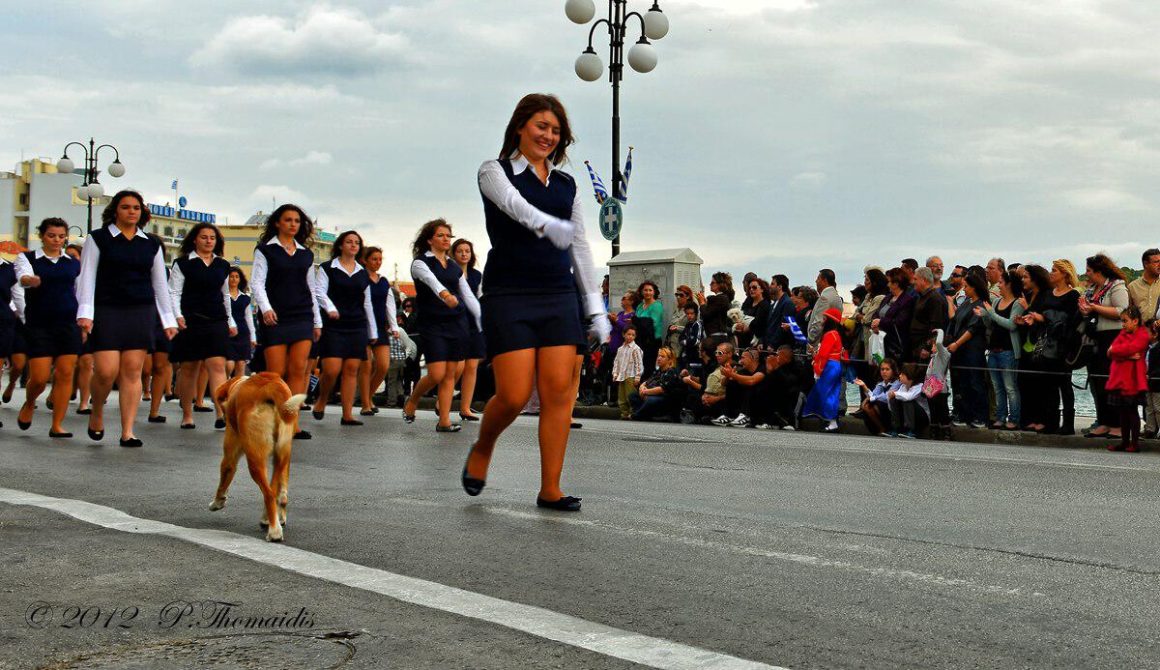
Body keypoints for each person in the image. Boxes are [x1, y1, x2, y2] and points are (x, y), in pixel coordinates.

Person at [463, 94, 609, 512]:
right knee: (512, 394)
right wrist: (547, 224)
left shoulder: (567, 184)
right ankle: (484, 444)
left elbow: (580, 245)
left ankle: (551, 488)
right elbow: (513, 206)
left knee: (558, 393)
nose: (548, 135)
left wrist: (595, 308)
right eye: (541, 126)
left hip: (557, 295)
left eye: (555, 130)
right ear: (520, 127)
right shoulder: (495, 170)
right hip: (509, 293)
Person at [76, 190, 178, 447]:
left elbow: (160, 284)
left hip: (140, 311)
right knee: (106, 371)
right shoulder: (98, 238)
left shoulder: (152, 243)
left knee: (133, 371)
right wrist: (85, 314)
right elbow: (86, 277)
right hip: (107, 309)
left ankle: (127, 431)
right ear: (115, 210)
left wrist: (168, 320)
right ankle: (96, 410)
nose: (132, 211)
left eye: (136, 207)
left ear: (142, 212)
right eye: (126, 207)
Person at [251, 204, 323, 440]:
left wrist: (317, 321)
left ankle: (291, 424)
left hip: (302, 315)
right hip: (276, 317)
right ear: (277, 223)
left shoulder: (306, 254)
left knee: (298, 369)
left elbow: (311, 288)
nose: (293, 224)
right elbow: (257, 283)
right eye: (288, 220)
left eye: (297, 221)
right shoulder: (265, 250)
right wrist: (266, 308)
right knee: (275, 372)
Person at [404, 220, 479, 432]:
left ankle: (444, 420)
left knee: (450, 374)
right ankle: (413, 400)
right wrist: (445, 295)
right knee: (436, 374)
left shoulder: (454, 266)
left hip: (457, 322)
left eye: (448, 236)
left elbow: (467, 295)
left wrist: (482, 318)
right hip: (433, 323)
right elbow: (432, 282)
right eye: (441, 235)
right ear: (429, 239)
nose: (446, 239)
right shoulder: (420, 263)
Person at [12, 218, 82, 437]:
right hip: (39, 324)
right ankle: (30, 402)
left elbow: (80, 291)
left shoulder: (73, 263)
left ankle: (57, 425)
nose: (57, 240)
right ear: (42, 235)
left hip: (68, 323)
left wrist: (85, 319)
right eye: (52, 235)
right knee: (40, 377)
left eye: (61, 236)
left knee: (65, 374)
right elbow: (21, 277)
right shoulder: (28, 258)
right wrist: (29, 280)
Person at [169, 222, 236, 430]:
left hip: (216, 319)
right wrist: (177, 316)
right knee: (190, 368)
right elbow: (174, 292)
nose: (208, 241)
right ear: (195, 239)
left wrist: (230, 320)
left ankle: (221, 412)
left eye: (212, 238)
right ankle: (187, 414)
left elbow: (225, 295)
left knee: (217, 366)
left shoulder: (223, 265)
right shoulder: (182, 263)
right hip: (190, 320)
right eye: (204, 237)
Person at [311, 230, 379, 427]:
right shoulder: (327, 268)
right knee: (331, 369)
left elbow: (367, 303)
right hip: (334, 325)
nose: (353, 245)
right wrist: (330, 309)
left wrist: (372, 330)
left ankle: (347, 414)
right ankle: (322, 399)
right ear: (341, 245)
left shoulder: (362, 272)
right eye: (349, 242)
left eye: (356, 242)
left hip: (356, 325)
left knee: (351, 369)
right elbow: (319, 292)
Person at [1079, 254, 1129, 439]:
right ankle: (1104, 421)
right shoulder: (1092, 289)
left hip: (1113, 337)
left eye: (1089, 271)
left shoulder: (1117, 286)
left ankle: (1117, 425)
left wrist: (1093, 308)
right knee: (1097, 381)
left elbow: (1122, 310)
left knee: (1112, 381)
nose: (1086, 274)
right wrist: (1085, 309)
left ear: (1099, 271)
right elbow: (1091, 311)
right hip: (1095, 338)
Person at [976, 270, 1024, 430]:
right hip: (993, 350)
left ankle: (1014, 419)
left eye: (1001, 283)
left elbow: (1011, 325)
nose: (999, 286)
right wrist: (984, 315)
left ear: (1009, 284)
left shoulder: (1017, 303)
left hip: (1008, 351)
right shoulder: (997, 302)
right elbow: (991, 324)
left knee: (1010, 387)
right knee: (998, 388)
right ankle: (1000, 417)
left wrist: (990, 313)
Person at [359, 246, 402, 416]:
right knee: (366, 366)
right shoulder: (360, 278)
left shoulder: (383, 281)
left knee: (383, 366)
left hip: (380, 326)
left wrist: (394, 326)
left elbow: (389, 305)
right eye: (374, 259)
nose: (377, 262)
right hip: (362, 326)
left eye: (380, 259)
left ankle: (368, 396)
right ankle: (365, 404)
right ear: (365, 260)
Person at [945, 272, 989, 428]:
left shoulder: (981, 305)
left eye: (967, 287)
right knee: (962, 383)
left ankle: (980, 416)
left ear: (974, 287)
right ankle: (963, 413)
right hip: (960, 349)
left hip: (972, 349)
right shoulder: (966, 303)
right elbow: (954, 319)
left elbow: (973, 328)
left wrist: (957, 343)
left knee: (975, 382)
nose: (965, 289)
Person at [1104, 306, 1149, 452]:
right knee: (1123, 412)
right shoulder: (1123, 333)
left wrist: (1117, 352)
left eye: (1125, 321)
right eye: (1122, 321)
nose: (1122, 324)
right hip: (1121, 379)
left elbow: (1117, 349)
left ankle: (1134, 443)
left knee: (1132, 411)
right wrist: (1126, 355)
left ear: (1135, 321)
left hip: (1133, 380)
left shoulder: (1143, 335)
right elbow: (1110, 352)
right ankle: (1124, 442)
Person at [452, 238, 485, 421]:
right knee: (458, 365)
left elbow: (481, 297)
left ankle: (465, 408)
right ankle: (444, 399)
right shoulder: (449, 273)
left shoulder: (476, 275)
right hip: (456, 322)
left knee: (472, 366)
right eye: (460, 251)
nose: (464, 254)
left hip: (475, 322)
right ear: (454, 254)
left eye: (467, 251)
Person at [802, 308, 847, 432]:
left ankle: (831, 421)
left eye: (825, 318)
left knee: (825, 393)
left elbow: (823, 354)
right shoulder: (836, 334)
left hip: (829, 366)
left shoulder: (829, 334)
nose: (823, 320)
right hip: (834, 365)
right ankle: (831, 421)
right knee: (831, 393)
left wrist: (818, 368)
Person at [65, 243, 93, 415]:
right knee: (68, 363)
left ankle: (84, 402)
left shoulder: (88, 275)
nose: (70, 259)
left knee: (86, 362)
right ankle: (59, 392)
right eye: (67, 255)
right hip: (66, 321)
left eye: (74, 256)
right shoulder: (62, 274)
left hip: (86, 321)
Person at [871, 268, 916, 363]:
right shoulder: (887, 298)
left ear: (896, 284)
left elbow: (901, 321)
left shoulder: (907, 300)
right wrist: (875, 323)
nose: (888, 285)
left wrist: (881, 322)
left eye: (889, 282)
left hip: (895, 345)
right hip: (882, 342)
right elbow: (877, 313)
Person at [715, 348, 766, 427]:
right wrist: (728, 375)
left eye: (743, 358)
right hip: (746, 403)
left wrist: (732, 375)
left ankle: (747, 417)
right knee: (732, 384)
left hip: (762, 403)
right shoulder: (744, 370)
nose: (740, 361)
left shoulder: (762, 368)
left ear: (753, 358)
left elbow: (752, 381)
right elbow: (723, 383)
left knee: (750, 387)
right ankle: (729, 416)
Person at [628, 347, 682, 421]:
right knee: (633, 395)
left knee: (650, 400)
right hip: (653, 395)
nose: (659, 358)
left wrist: (645, 392)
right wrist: (642, 387)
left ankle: (637, 415)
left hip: (666, 399)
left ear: (669, 360)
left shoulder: (671, 372)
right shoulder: (658, 370)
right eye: (658, 356)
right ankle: (644, 415)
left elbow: (662, 389)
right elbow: (647, 382)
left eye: (662, 356)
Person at [225, 266, 258, 381]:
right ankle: (225, 383)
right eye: (231, 277)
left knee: (241, 364)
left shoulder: (245, 298)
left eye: (236, 277)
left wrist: (253, 337)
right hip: (227, 333)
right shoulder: (222, 296)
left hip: (243, 333)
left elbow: (249, 318)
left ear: (240, 279)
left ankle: (236, 392)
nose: (233, 279)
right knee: (229, 364)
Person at [854, 358, 900, 435]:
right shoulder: (881, 383)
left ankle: (889, 428)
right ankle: (881, 428)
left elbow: (886, 397)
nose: (884, 372)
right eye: (882, 369)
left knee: (875, 404)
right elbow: (873, 395)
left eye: (887, 369)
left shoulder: (897, 383)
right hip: (886, 409)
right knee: (867, 406)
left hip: (895, 411)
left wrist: (870, 398)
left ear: (893, 371)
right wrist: (864, 386)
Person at [611, 325, 644, 419]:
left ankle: (632, 412)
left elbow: (639, 363)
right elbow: (616, 362)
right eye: (628, 334)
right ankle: (624, 413)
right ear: (623, 334)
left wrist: (638, 376)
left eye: (633, 335)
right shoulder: (620, 349)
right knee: (621, 396)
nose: (630, 337)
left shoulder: (635, 349)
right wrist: (615, 373)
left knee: (630, 395)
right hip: (622, 375)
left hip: (631, 376)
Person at [633, 280, 664, 379]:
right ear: (641, 292)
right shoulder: (639, 306)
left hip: (651, 343)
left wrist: (637, 321)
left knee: (648, 369)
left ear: (654, 292)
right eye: (645, 290)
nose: (648, 292)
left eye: (650, 290)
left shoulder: (657, 306)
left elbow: (652, 324)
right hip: (639, 342)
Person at [887, 364, 928, 438]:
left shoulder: (920, 386)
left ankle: (911, 430)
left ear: (910, 375)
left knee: (907, 401)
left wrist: (895, 393)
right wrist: (892, 397)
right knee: (894, 399)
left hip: (922, 418)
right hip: (909, 416)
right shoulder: (903, 387)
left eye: (902, 374)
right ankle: (897, 428)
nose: (899, 376)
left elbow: (909, 397)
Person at [807, 269, 843, 349]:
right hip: (832, 342)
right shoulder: (835, 296)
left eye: (818, 278)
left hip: (820, 345)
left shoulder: (824, 298)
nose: (816, 281)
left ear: (825, 280)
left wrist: (810, 339)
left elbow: (818, 322)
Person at [699, 272, 735, 343]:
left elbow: (706, 315)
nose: (710, 284)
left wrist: (702, 303)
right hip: (718, 336)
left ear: (720, 284)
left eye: (713, 283)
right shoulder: (723, 298)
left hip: (716, 337)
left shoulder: (720, 298)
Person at [735, 278, 770, 350]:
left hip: (756, 343)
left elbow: (759, 323)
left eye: (754, 287)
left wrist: (748, 327)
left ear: (762, 289)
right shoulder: (747, 302)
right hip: (743, 341)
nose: (751, 289)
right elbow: (741, 316)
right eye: (749, 288)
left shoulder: (765, 305)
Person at [1128, 248, 1160, 322]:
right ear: (1146, 264)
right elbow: (1128, 313)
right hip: (1140, 331)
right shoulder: (1132, 287)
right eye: (1156, 262)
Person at [666, 285, 693, 359]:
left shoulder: (691, 310)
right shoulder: (677, 309)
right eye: (676, 295)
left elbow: (693, 328)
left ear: (687, 296)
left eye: (681, 295)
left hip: (683, 347)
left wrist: (677, 328)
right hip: (672, 345)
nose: (678, 297)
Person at [1144, 320, 1160, 439]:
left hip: (1156, 382)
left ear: (1155, 334)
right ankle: (1150, 428)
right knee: (1148, 406)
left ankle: (1158, 429)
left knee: (1158, 407)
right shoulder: (1146, 348)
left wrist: (1151, 374)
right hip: (1147, 382)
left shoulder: (1158, 349)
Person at [677, 303, 704, 371]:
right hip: (686, 356)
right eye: (687, 314)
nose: (689, 316)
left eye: (692, 313)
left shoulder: (697, 325)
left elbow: (696, 341)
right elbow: (680, 338)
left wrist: (685, 341)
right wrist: (687, 341)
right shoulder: (688, 325)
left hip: (695, 357)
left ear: (696, 314)